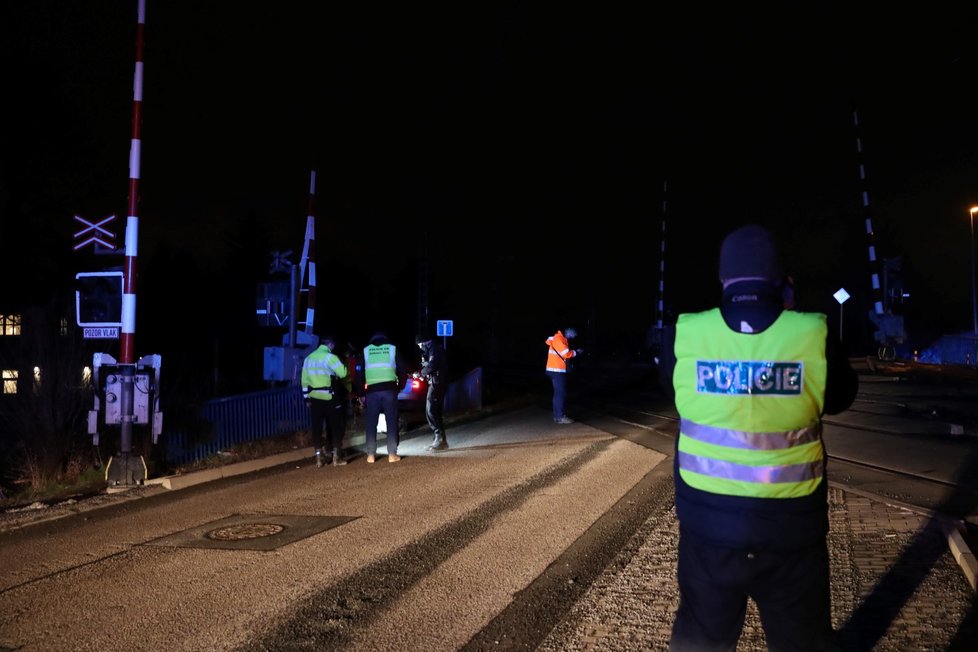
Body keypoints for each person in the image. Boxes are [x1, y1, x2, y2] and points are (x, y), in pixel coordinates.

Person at [666, 224, 858, 651]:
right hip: (792, 535)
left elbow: (675, 393)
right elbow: (842, 397)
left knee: (701, 639)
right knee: (802, 641)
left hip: (708, 532)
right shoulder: (813, 335)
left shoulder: (685, 334)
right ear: (782, 281)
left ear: (722, 278)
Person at [300, 334, 350, 468]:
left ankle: (318, 458)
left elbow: (304, 381)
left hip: (314, 398)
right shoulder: (331, 357)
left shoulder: (308, 358)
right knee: (335, 426)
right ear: (331, 345)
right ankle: (336, 457)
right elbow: (343, 373)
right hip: (330, 397)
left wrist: (306, 398)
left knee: (316, 428)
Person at [363, 331, 409, 463]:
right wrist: (400, 386)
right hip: (389, 390)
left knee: (371, 422)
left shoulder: (366, 350)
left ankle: (371, 455)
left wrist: (361, 392)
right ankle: (392, 454)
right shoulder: (392, 348)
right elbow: (402, 369)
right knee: (391, 421)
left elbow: (360, 372)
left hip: (371, 391)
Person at [415, 333, 448, 451]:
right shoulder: (432, 348)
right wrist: (423, 374)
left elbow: (432, 365)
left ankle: (439, 439)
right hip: (436, 382)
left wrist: (421, 373)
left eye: (420, 345)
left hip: (437, 383)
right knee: (435, 411)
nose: (419, 348)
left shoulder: (434, 348)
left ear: (424, 343)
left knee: (430, 409)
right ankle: (439, 440)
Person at [545, 327, 582, 424]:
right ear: (569, 333)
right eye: (573, 335)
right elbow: (566, 354)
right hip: (557, 371)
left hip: (553, 370)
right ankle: (560, 417)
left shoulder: (558, 339)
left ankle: (557, 417)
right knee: (560, 394)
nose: (573, 337)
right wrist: (577, 352)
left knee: (557, 394)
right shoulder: (559, 339)